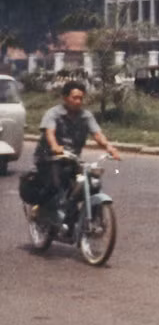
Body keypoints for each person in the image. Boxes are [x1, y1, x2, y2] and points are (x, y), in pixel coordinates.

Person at [33, 81, 122, 225]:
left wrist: (109, 147)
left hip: (72, 159)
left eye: (81, 98)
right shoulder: (53, 113)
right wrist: (55, 146)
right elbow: (50, 132)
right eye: (74, 98)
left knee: (92, 183)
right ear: (65, 97)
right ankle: (43, 212)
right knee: (57, 184)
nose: (78, 101)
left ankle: (86, 220)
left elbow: (97, 134)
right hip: (49, 158)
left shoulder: (85, 116)